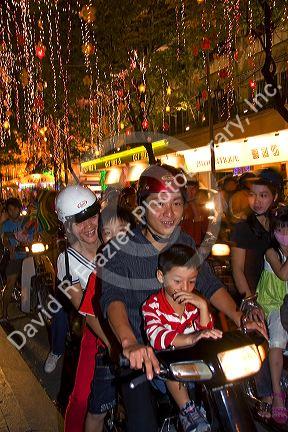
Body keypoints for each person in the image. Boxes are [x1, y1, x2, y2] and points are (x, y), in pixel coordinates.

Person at [98, 164, 265, 432]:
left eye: (176, 203)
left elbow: (209, 283)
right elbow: (112, 298)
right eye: (159, 204)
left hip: (187, 345)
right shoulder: (120, 250)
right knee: (142, 423)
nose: (169, 213)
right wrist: (129, 343)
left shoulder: (184, 241)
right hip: (144, 354)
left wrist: (239, 316)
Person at [48, 185, 112, 432]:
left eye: (92, 216)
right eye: (79, 222)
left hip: (130, 323)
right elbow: (83, 308)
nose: (88, 226)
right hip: (96, 333)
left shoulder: (114, 237)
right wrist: (111, 342)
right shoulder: (66, 260)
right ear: (67, 226)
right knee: (82, 398)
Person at [142, 244, 222, 432]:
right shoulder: (152, 306)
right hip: (162, 371)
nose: (186, 288)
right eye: (178, 281)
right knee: (170, 361)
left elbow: (207, 337)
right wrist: (191, 338)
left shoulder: (194, 305)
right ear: (161, 277)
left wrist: (203, 307)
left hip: (195, 365)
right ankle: (187, 410)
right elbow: (157, 338)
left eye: (192, 282)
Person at [230, 167, 283, 418]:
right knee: (261, 331)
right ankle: (266, 393)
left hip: (275, 293)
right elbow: (238, 270)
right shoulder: (242, 229)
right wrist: (250, 302)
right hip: (249, 295)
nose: (258, 201)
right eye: (253, 195)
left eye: (264, 195)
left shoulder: (278, 226)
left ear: (274, 197)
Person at [256, 206, 288, 424]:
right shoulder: (271, 251)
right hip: (273, 303)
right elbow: (283, 275)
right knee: (277, 339)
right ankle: (277, 395)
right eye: (280, 229)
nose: (284, 234)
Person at [1, 197, 35, 320]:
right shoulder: (6, 225)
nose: (11, 212)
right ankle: (4, 313)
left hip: (29, 256)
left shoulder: (28, 221)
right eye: (9, 209)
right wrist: (9, 246)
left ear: (19, 209)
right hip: (15, 257)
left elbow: (34, 235)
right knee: (10, 283)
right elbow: (4, 239)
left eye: (13, 209)